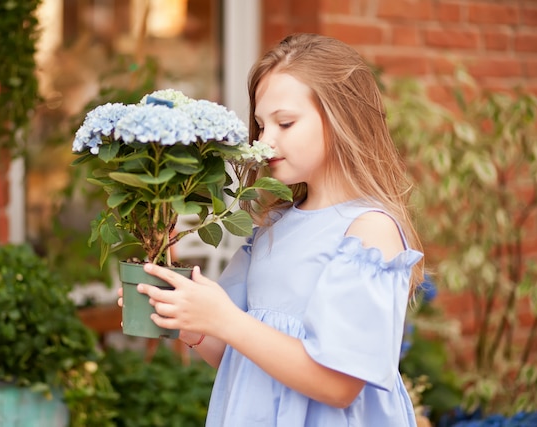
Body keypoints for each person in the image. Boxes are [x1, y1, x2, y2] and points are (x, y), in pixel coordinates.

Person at [118, 33, 425, 426]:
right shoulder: (273, 227)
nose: (264, 141)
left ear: (341, 118)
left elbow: (340, 385)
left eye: (285, 122)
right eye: (261, 125)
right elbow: (238, 355)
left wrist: (226, 319)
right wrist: (185, 320)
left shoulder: (368, 230)